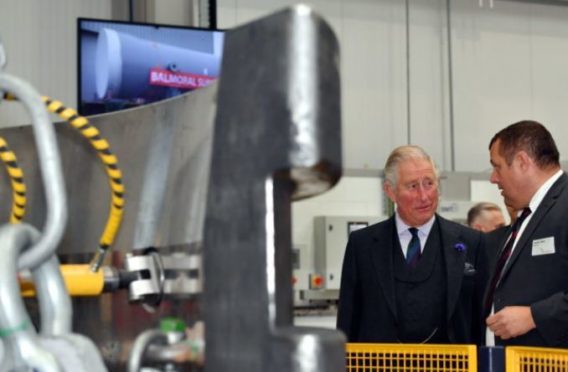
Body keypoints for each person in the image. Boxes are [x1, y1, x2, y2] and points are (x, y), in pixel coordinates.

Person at [337, 145, 488, 344]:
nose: (424, 196)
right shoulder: (362, 245)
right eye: (413, 186)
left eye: (429, 183)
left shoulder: (470, 242)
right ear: (390, 191)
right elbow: (348, 321)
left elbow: (479, 322)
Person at [485, 120, 568, 347]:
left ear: (522, 161)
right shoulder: (528, 214)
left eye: (497, 166)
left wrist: (534, 316)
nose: (493, 178)